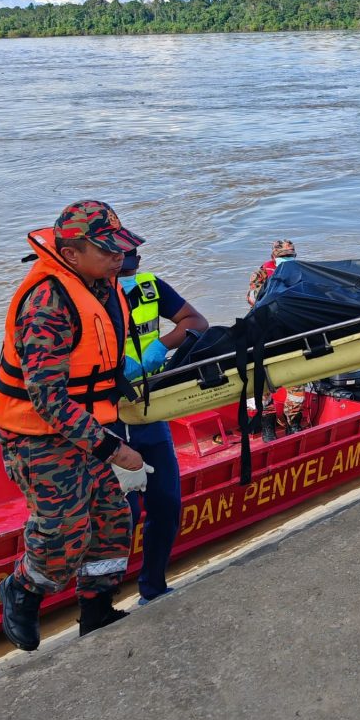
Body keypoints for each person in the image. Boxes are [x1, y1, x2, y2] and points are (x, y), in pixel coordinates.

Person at [0, 200, 151, 651]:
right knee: (63, 532)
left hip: (85, 429)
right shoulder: (47, 302)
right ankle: (20, 590)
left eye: (122, 249)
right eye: (108, 251)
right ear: (72, 253)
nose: (119, 258)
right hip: (38, 438)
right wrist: (114, 450)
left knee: (113, 521)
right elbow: (48, 400)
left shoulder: (99, 282)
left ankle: (96, 614)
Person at [119, 251, 208, 603]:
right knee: (122, 514)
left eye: (131, 262)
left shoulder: (148, 286)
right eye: (120, 263)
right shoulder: (85, 295)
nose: (127, 270)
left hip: (149, 409)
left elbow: (195, 321)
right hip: (107, 417)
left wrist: (160, 346)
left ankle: (153, 589)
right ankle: (98, 605)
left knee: (167, 504)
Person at [245, 239, 307, 433]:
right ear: (274, 257)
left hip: (292, 331)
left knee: (297, 383)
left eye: (291, 256)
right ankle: (268, 425)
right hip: (266, 332)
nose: (288, 260)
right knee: (262, 385)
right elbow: (253, 299)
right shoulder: (262, 273)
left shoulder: (301, 271)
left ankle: (292, 423)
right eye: (284, 257)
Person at [246, 239, 296, 306]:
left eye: (290, 256)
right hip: (271, 307)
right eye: (282, 256)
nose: (286, 258)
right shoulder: (263, 272)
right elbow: (252, 298)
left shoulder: (300, 269)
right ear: (273, 257)